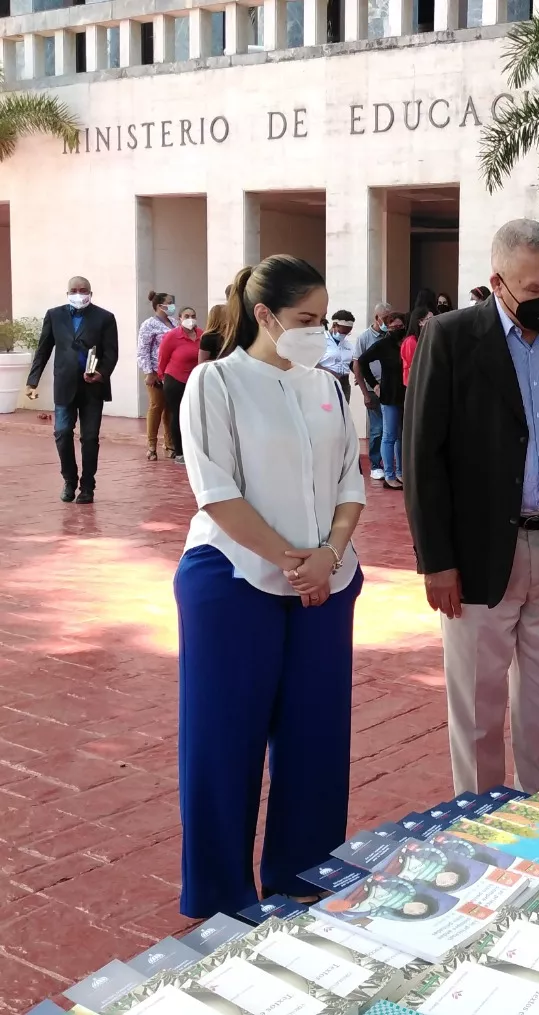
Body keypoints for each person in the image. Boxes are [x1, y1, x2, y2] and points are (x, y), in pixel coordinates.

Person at [173, 254, 365, 919]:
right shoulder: (215, 382)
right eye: (304, 320)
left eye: (323, 317)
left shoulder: (330, 387)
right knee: (223, 740)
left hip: (326, 585)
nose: (320, 331)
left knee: (317, 740)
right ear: (263, 315)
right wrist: (294, 560)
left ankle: (304, 873)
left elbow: (350, 483)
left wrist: (329, 557)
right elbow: (216, 491)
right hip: (233, 581)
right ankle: (221, 894)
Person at [402, 218, 539, 796]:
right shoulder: (449, 338)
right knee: (477, 708)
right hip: (476, 555)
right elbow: (423, 454)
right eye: (536, 290)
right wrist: (436, 560)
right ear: (498, 282)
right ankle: (477, 827)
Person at [24, 277, 119, 504]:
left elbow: (111, 353)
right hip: (64, 385)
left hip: (92, 387)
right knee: (62, 433)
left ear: (90, 293)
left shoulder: (105, 318)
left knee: (89, 437)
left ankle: (87, 486)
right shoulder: (54, 315)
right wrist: (32, 381)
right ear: (67, 293)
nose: (79, 294)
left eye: (83, 290)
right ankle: (69, 480)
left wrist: (101, 373)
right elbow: (43, 349)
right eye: (74, 290)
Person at [358, 311, 409, 490]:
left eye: (400, 326)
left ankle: (401, 473)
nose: (397, 329)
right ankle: (389, 474)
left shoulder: (407, 343)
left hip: (406, 394)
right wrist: (374, 385)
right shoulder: (382, 345)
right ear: (388, 327)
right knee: (389, 435)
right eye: (393, 326)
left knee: (401, 437)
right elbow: (362, 362)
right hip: (389, 394)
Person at [352, 301, 393, 480]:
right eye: (386, 319)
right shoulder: (364, 338)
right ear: (377, 318)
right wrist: (365, 393)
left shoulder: (391, 336)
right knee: (377, 428)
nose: (388, 322)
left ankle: (391, 463)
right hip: (372, 388)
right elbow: (357, 365)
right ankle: (376, 464)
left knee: (392, 429)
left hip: (390, 389)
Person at [158, 307, 203, 465]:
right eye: (186, 316)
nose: (190, 319)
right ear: (179, 319)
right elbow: (163, 357)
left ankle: (194, 449)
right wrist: (162, 376)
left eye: (193, 316)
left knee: (194, 415)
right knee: (178, 414)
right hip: (175, 380)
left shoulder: (202, 335)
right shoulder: (172, 336)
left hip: (195, 381)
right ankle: (179, 452)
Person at [137, 290, 177, 461]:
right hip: (155, 372)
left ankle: (169, 445)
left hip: (172, 372)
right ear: (160, 305)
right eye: (169, 302)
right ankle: (151, 445)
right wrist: (148, 372)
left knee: (170, 409)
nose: (172, 305)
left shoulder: (174, 322)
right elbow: (143, 350)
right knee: (156, 406)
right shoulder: (149, 325)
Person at [320, 309, 356, 400]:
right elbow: (310, 362)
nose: (344, 335)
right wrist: (329, 372)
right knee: (328, 411)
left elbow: (351, 363)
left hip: (344, 383)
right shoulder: (320, 340)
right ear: (334, 325)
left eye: (348, 333)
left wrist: (359, 374)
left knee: (343, 412)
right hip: (325, 382)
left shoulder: (348, 344)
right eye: (343, 332)